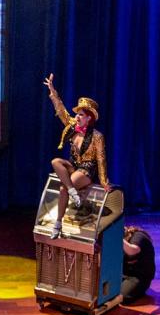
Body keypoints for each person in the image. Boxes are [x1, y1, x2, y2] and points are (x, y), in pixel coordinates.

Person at [43, 73, 110, 239]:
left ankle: (57, 224)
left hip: (87, 170)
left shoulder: (97, 136)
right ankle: (73, 193)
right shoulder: (72, 127)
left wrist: (104, 181)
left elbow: (101, 160)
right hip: (74, 166)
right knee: (56, 161)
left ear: (89, 118)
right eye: (77, 114)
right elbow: (61, 111)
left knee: (62, 188)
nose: (77, 117)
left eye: (81, 115)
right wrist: (53, 93)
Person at [121, 226, 155, 303]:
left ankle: (139, 289)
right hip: (124, 273)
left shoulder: (138, 236)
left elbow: (132, 250)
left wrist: (117, 236)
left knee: (123, 296)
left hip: (139, 276)